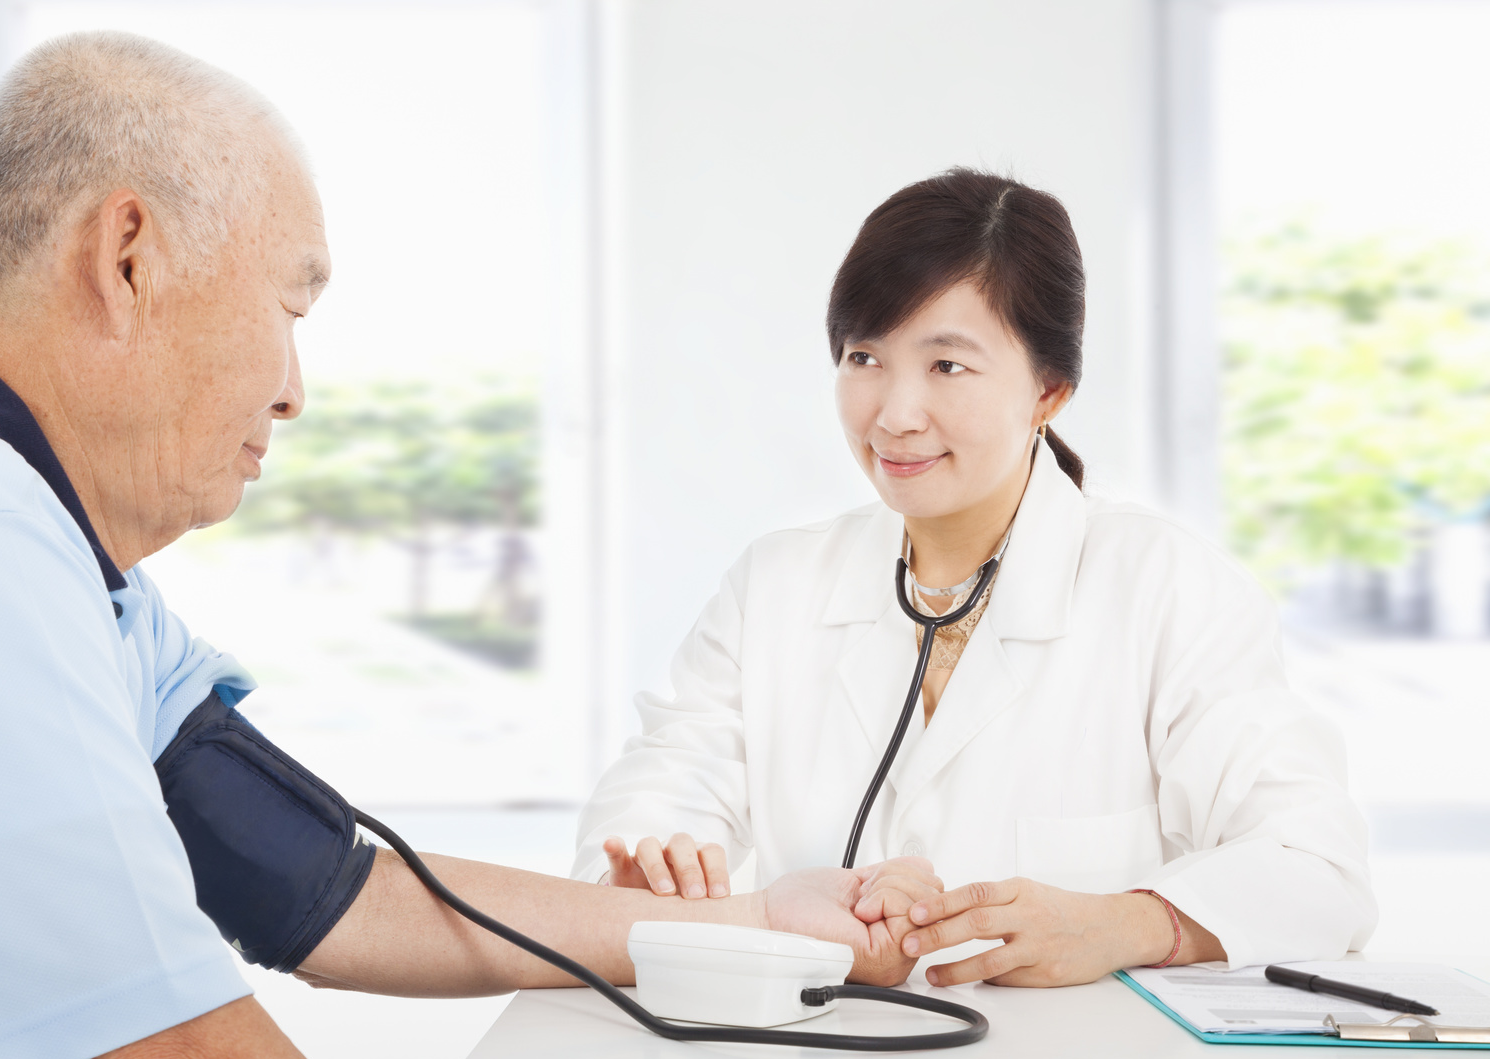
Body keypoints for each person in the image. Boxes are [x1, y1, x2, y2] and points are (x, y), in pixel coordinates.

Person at [0, 34, 937, 1059]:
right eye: (290, 308)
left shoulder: (23, 533)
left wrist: (754, 924)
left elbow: (319, 886)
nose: (294, 392)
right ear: (128, 257)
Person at [574, 168, 1378, 988]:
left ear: (1049, 390)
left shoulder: (1167, 588)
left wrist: (1125, 922)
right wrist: (650, 874)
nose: (893, 413)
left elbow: (1318, 867)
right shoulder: (774, 587)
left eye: (947, 365)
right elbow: (655, 798)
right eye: (864, 357)